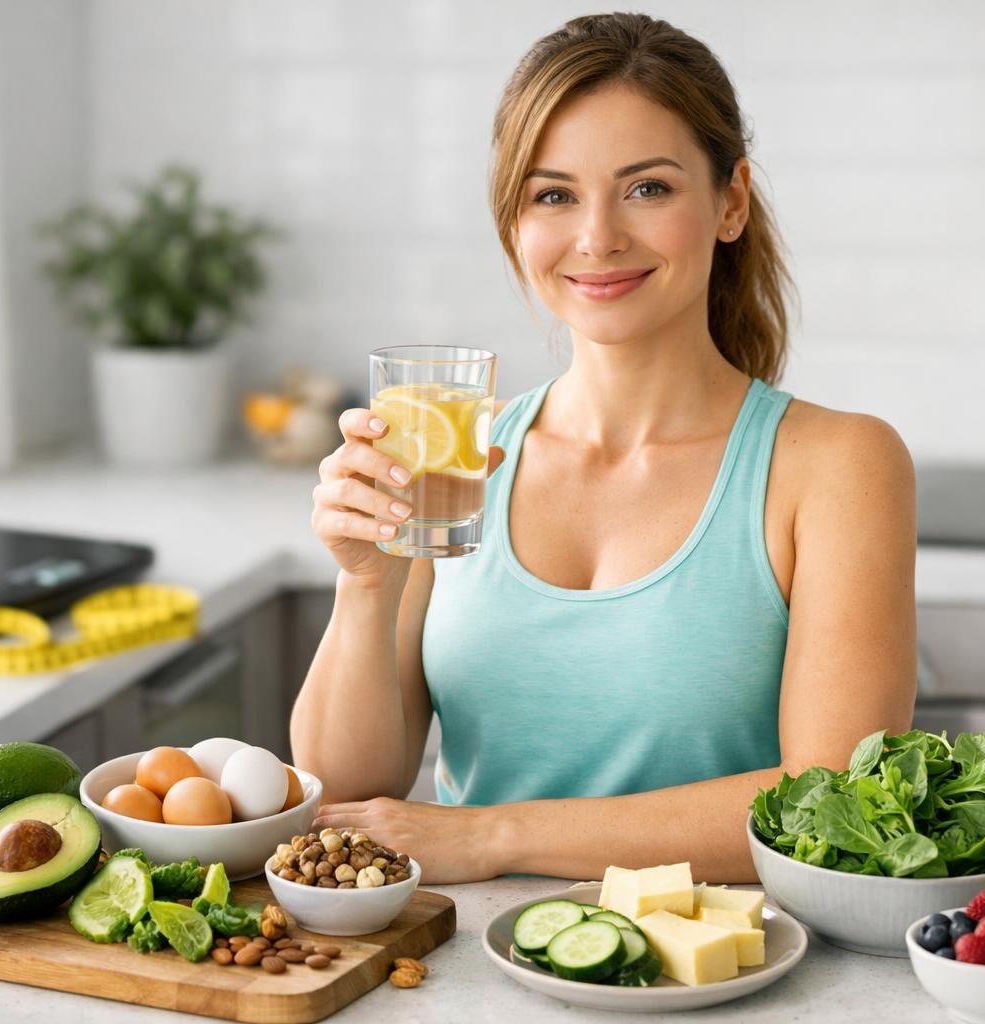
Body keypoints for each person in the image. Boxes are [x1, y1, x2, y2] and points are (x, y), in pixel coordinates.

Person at [291, 12, 916, 884]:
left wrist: (493, 836)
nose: (597, 237)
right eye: (554, 195)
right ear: (514, 222)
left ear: (730, 201)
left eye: (648, 188)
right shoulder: (455, 461)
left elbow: (833, 803)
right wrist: (364, 583)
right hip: (468, 978)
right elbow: (350, 798)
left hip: (732, 983)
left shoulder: (837, 464)